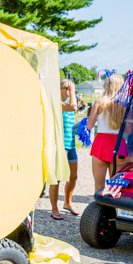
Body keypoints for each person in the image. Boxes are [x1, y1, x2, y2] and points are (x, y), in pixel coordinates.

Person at [87, 74, 127, 191]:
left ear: (108, 85)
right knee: (116, 185)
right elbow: (129, 130)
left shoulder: (99, 102)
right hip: (119, 143)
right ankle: (114, 208)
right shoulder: (124, 104)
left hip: (101, 143)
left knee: (99, 186)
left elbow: (89, 126)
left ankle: (100, 209)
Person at [49, 79, 79, 220]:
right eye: (66, 87)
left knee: (73, 176)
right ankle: (54, 208)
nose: (69, 90)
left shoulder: (67, 104)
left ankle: (67, 203)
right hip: (59, 146)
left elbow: (72, 108)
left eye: (70, 88)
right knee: (57, 178)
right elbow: (73, 106)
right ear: (59, 89)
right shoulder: (57, 103)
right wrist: (73, 91)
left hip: (71, 145)